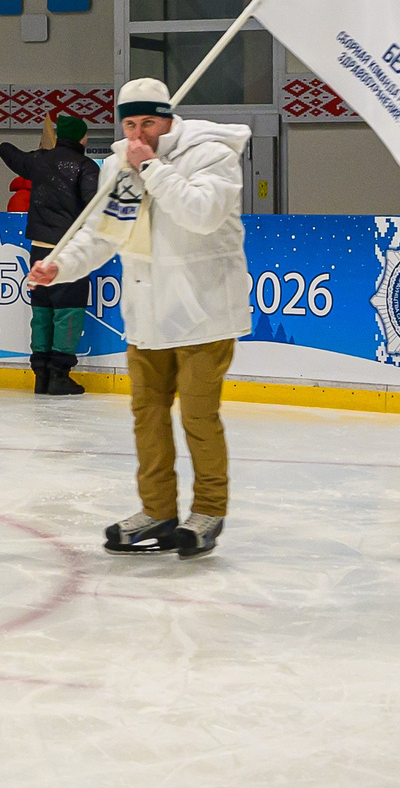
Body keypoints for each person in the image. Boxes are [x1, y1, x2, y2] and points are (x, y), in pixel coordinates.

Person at [29, 77, 250, 559]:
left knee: (197, 415)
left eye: (148, 122)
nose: (138, 133)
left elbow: (202, 213)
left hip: (204, 315)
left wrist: (150, 166)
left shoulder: (212, 154)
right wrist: (59, 266)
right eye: (129, 123)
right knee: (146, 417)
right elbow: (102, 234)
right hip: (147, 316)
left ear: (168, 118)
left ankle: (208, 511)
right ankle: (158, 511)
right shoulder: (119, 167)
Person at [0, 116, 104, 396]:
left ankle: (40, 375)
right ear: (83, 139)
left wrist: (1, 147)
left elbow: (18, 159)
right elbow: (95, 206)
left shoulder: (41, 160)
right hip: (68, 252)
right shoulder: (86, 167)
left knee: (42, 311)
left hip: (39, 249)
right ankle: (58, 374)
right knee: (68, 311)